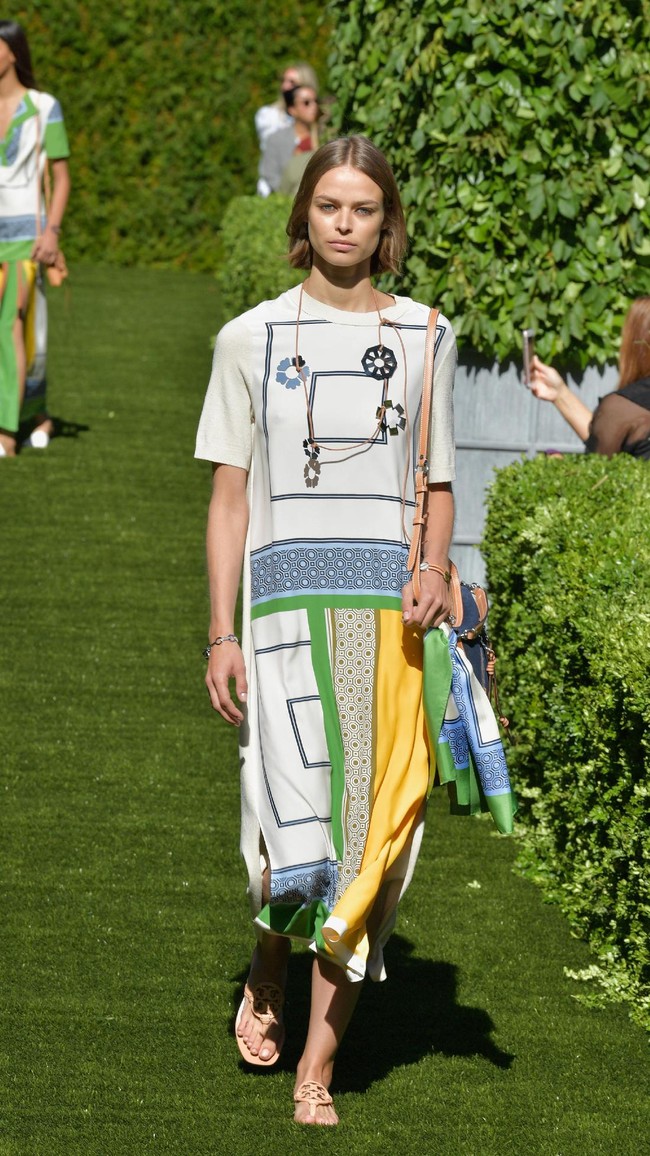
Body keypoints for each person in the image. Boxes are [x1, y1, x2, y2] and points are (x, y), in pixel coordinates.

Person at [195, 135, 457, 1125]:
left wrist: (431, 569)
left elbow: (435, 484)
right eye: (327, 206)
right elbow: (227, 498)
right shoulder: (247, 338)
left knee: (362, 840)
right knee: (282, 840)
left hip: (381, 620)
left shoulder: (427, 334)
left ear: (385, 224)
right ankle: (271, 949)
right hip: (277, 612)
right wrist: (218, 634)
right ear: (300, 216)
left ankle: (316, 1065)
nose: (344, 222)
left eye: (362, 209)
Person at [0, 20, 70, 457]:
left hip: (26, 238)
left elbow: (61, 177)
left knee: (11, 327)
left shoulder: (44, 107)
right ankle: (36, 413)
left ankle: (6, 430)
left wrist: (52, 231)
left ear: (12, 52)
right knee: (23, 334)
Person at [529, 297, 650, 459]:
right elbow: (612, 435)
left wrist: (558, 467)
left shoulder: (623, 408)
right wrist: (560, 394)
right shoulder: (627, 412)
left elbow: (599, 474)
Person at [255, 62, 318, 196]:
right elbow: (271, 173)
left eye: (292, 82)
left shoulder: (323, 132)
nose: (285, 86)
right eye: (284, 81)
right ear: (293, 109)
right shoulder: (269, 117)